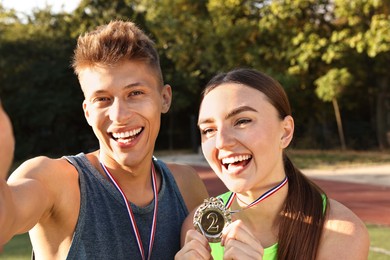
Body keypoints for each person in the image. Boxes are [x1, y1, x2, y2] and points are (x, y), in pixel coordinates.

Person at [0, 20, 208, 259]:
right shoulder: (57, 182)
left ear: (164, 98)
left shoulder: (186, 185)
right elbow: (9, 212)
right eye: (103, 99)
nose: (119, 115)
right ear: (88, 112)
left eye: (135, 93)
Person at [176, 68, 369, 260]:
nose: (221, 142)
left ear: (285, 132)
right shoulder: (196, 227)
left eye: (242, 121)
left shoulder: (340, 232)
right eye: (209, 130)